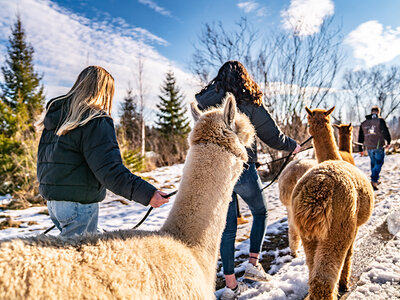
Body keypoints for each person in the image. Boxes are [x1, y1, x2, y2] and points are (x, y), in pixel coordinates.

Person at [195, 61, 301, 299]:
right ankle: (253, 264)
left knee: (228, 226)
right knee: (261, 212)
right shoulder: (249, 103)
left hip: (216, 171)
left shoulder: (205, 102)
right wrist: (292, 146)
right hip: (242, 168)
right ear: (244, 78)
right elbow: (273, 136)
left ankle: (230, 286)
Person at [37, 66, 169, 237]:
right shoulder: (95, 120)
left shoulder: (58, 119)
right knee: (79, 259)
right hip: (78, 205)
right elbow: (110, 170)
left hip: (55, 205)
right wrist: (148, 194)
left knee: (83, 247)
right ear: (104, 91)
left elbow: (45, 163)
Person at [358, 105, 391, 190]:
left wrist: (360, 149)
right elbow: (385, 131)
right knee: (379, 163)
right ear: (378, 112)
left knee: (373, 164)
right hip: (378, 146)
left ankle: (375, 179)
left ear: (371, 112)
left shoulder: (364, 123)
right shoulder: (380, 121)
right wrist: (389, 141)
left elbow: (360, 137)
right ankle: (374, 180)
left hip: (369, 147)